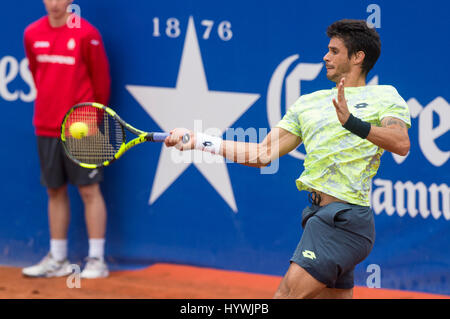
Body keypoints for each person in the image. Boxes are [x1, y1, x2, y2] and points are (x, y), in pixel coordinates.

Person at [165, 19, 411, 298]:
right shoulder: (308, 103)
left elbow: (401, 143)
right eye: (327, 50)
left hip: (345, 220)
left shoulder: (384, 96)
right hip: (317, 216)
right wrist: (198, 140)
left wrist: (352, 122)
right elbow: (261, 154)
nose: (325, 57)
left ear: (358, 57)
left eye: (334, 51)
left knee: (285, 296)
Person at [22, 0, 111, 278]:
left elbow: (101, 81)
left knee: (89, 191)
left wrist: (92, 120)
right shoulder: (31, 33)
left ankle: (97, 260)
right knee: (54, 191)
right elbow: (39, 75)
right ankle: (58, 259)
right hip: (46, 124)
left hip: (82, 126)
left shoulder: (87, 33)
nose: (54, 3)